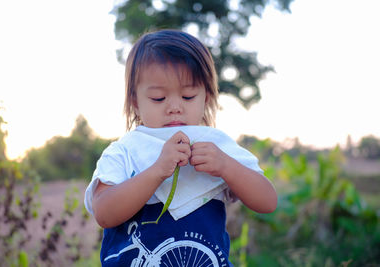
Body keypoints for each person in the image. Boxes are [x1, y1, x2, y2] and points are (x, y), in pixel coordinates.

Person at [84, 29, 277, 266]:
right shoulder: (124, 151)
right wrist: (157, 170)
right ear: (135, 101)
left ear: (206, 96)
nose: (175, 107)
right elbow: (104, 212)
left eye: (188, 96)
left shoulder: (216, 145)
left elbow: (267, 201)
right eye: (158, 98)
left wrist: (226, 166)